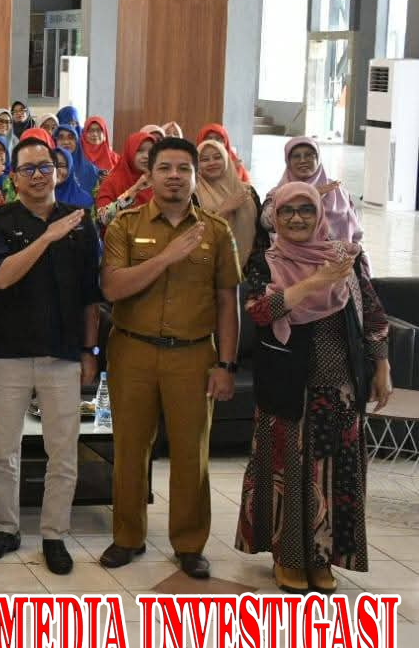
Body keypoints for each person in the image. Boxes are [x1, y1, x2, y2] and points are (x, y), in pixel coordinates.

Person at [235, 181, 392, 593]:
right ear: (276, 216)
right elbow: (259, 311)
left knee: (335, 474)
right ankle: (287, 557)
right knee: (288, 471)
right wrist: (316, 281)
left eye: (306, 210)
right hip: (288, 385)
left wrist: (382, 366)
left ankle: (323, 556)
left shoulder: (346, 259)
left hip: (340, 387)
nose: (297, 218)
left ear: (320, 214)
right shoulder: (265, 261)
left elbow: (373, 314)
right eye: (288, 211)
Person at [99, 137, 241, 580]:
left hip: (193, 355)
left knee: (191, 454)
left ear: (195, 177)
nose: (174, 176)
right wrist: (166, 257)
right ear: (150, 175)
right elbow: (113, 288)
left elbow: (227, 302)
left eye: (184, 169)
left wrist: (226, 365)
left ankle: (190, 544)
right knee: (129, 450)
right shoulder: (124, 225)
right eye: (165, 168)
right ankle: (127, 537)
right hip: (132, 352)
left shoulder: (216, 231)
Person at [0, 137, 103, 575]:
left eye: (45, 167)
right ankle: (5, 528)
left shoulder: (80, 223)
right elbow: (1, 278)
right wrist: (47, 237)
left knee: (62, 451)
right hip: (8, 353)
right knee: (2, 450)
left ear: (57, 171)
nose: (37, 176)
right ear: (14, 177)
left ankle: (54, 535)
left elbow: (90, 296)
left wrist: (90, 350)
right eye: (28, 169)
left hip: (63, 353)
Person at [263, 137, 362, 244]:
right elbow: (267, 224)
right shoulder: (277, 193)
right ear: (288, 161)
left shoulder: (337, 191)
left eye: (309, 155)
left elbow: (356, 232)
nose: (302, 160)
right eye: (296, 156)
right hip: (289, 253)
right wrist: (309, 194)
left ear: (318, 159)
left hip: (338, 253)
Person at [197, 138, 263, 267]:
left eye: (217, 157)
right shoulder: (192, 195)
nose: (212, 163)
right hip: (208, 265)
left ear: (226, 159)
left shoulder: (248, 191)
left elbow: (261, 236)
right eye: (204, 159)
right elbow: (196, 236)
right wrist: (224, 210)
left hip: (249, 268)